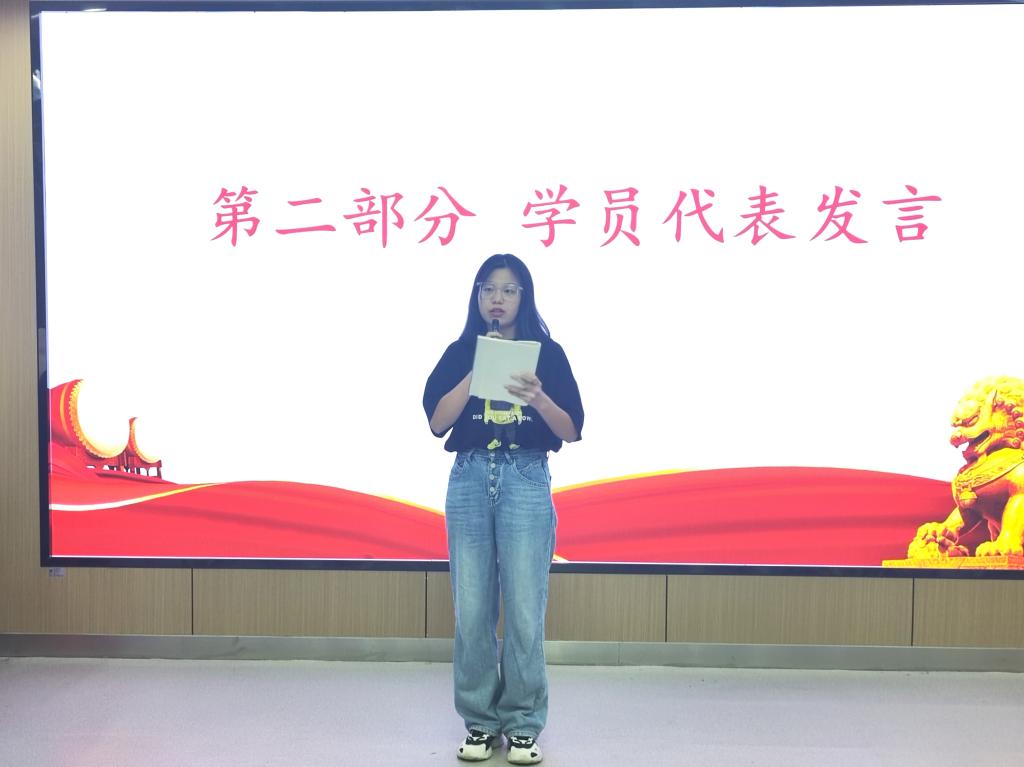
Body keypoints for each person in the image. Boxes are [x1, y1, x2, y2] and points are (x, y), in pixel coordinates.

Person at [423, 254, 584, 765]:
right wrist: (478, 371)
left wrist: (538, 397)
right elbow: (436, 421)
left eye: (509, 290)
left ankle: (522, 724)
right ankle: (479, 722)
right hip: (470, 476)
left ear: (524, 297)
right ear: (477, 296)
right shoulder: (460, 352)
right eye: (488, 288)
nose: (497, 298)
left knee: (524, 609)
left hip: (525, 477)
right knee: (471, 609)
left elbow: (571, 428)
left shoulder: (548, 355)